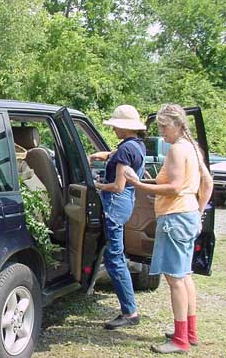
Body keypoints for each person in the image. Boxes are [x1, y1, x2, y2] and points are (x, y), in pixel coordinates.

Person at [125, 104, 213, 354]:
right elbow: (206, 183)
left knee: (175, 280)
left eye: (164, 126)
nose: (161, 132)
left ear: (177, 124)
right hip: (187, 214)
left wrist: (137, 184)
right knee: (185, 277)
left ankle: (180, 340)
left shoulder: (176, 150)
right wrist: (198, 211)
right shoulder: (194, 148)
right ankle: (190, 332)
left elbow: (174, 187)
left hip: (174, 217)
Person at [89, 104, 147, 330]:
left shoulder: (125, 150)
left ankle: (130, 311)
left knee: (115, 259)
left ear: (124, 127)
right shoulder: (136, 146)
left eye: (115, 126)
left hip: (114, 204)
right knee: (113, 253)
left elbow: (117, 186)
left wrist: (95, 185)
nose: (113, 130)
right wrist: (96, 156)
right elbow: (113, 155)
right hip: (125, 206)